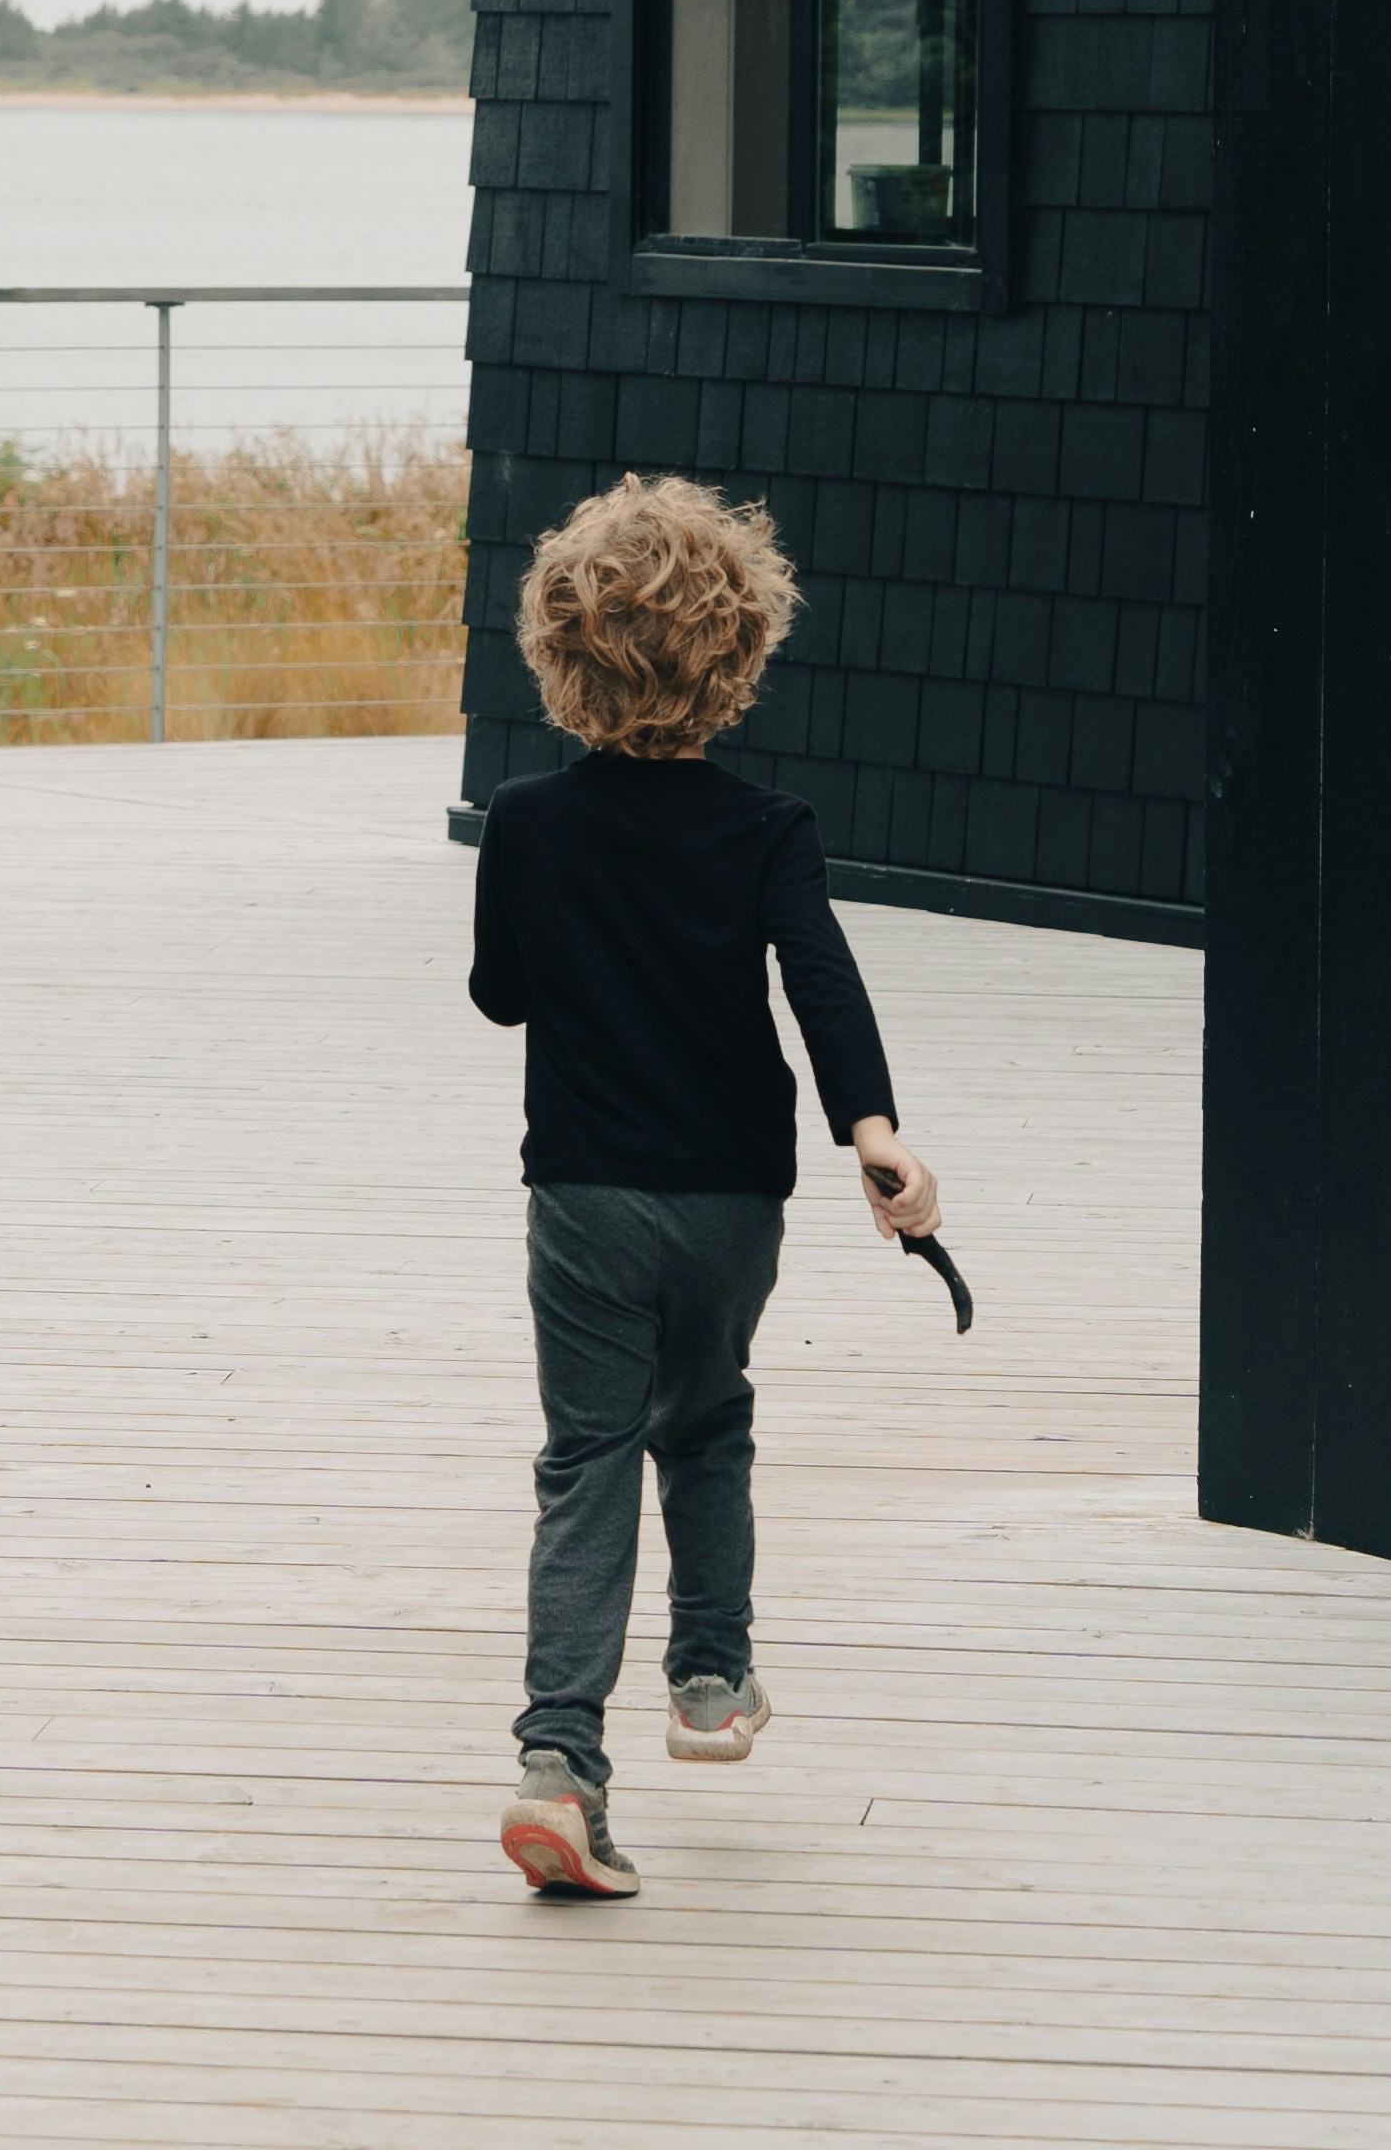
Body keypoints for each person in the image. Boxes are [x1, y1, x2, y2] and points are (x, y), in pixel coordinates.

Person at [467, 473, 938, 1899]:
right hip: (735, 1197)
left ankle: (559, 1767)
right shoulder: (767, 828)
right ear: (739, 656)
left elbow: (499, 1001)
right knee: (710, 1418)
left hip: (585, 1197)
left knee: (586, 1458)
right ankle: (711, 1679)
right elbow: (824, 983)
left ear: (560, 649)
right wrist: (875, 1132)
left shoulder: (529, 822)